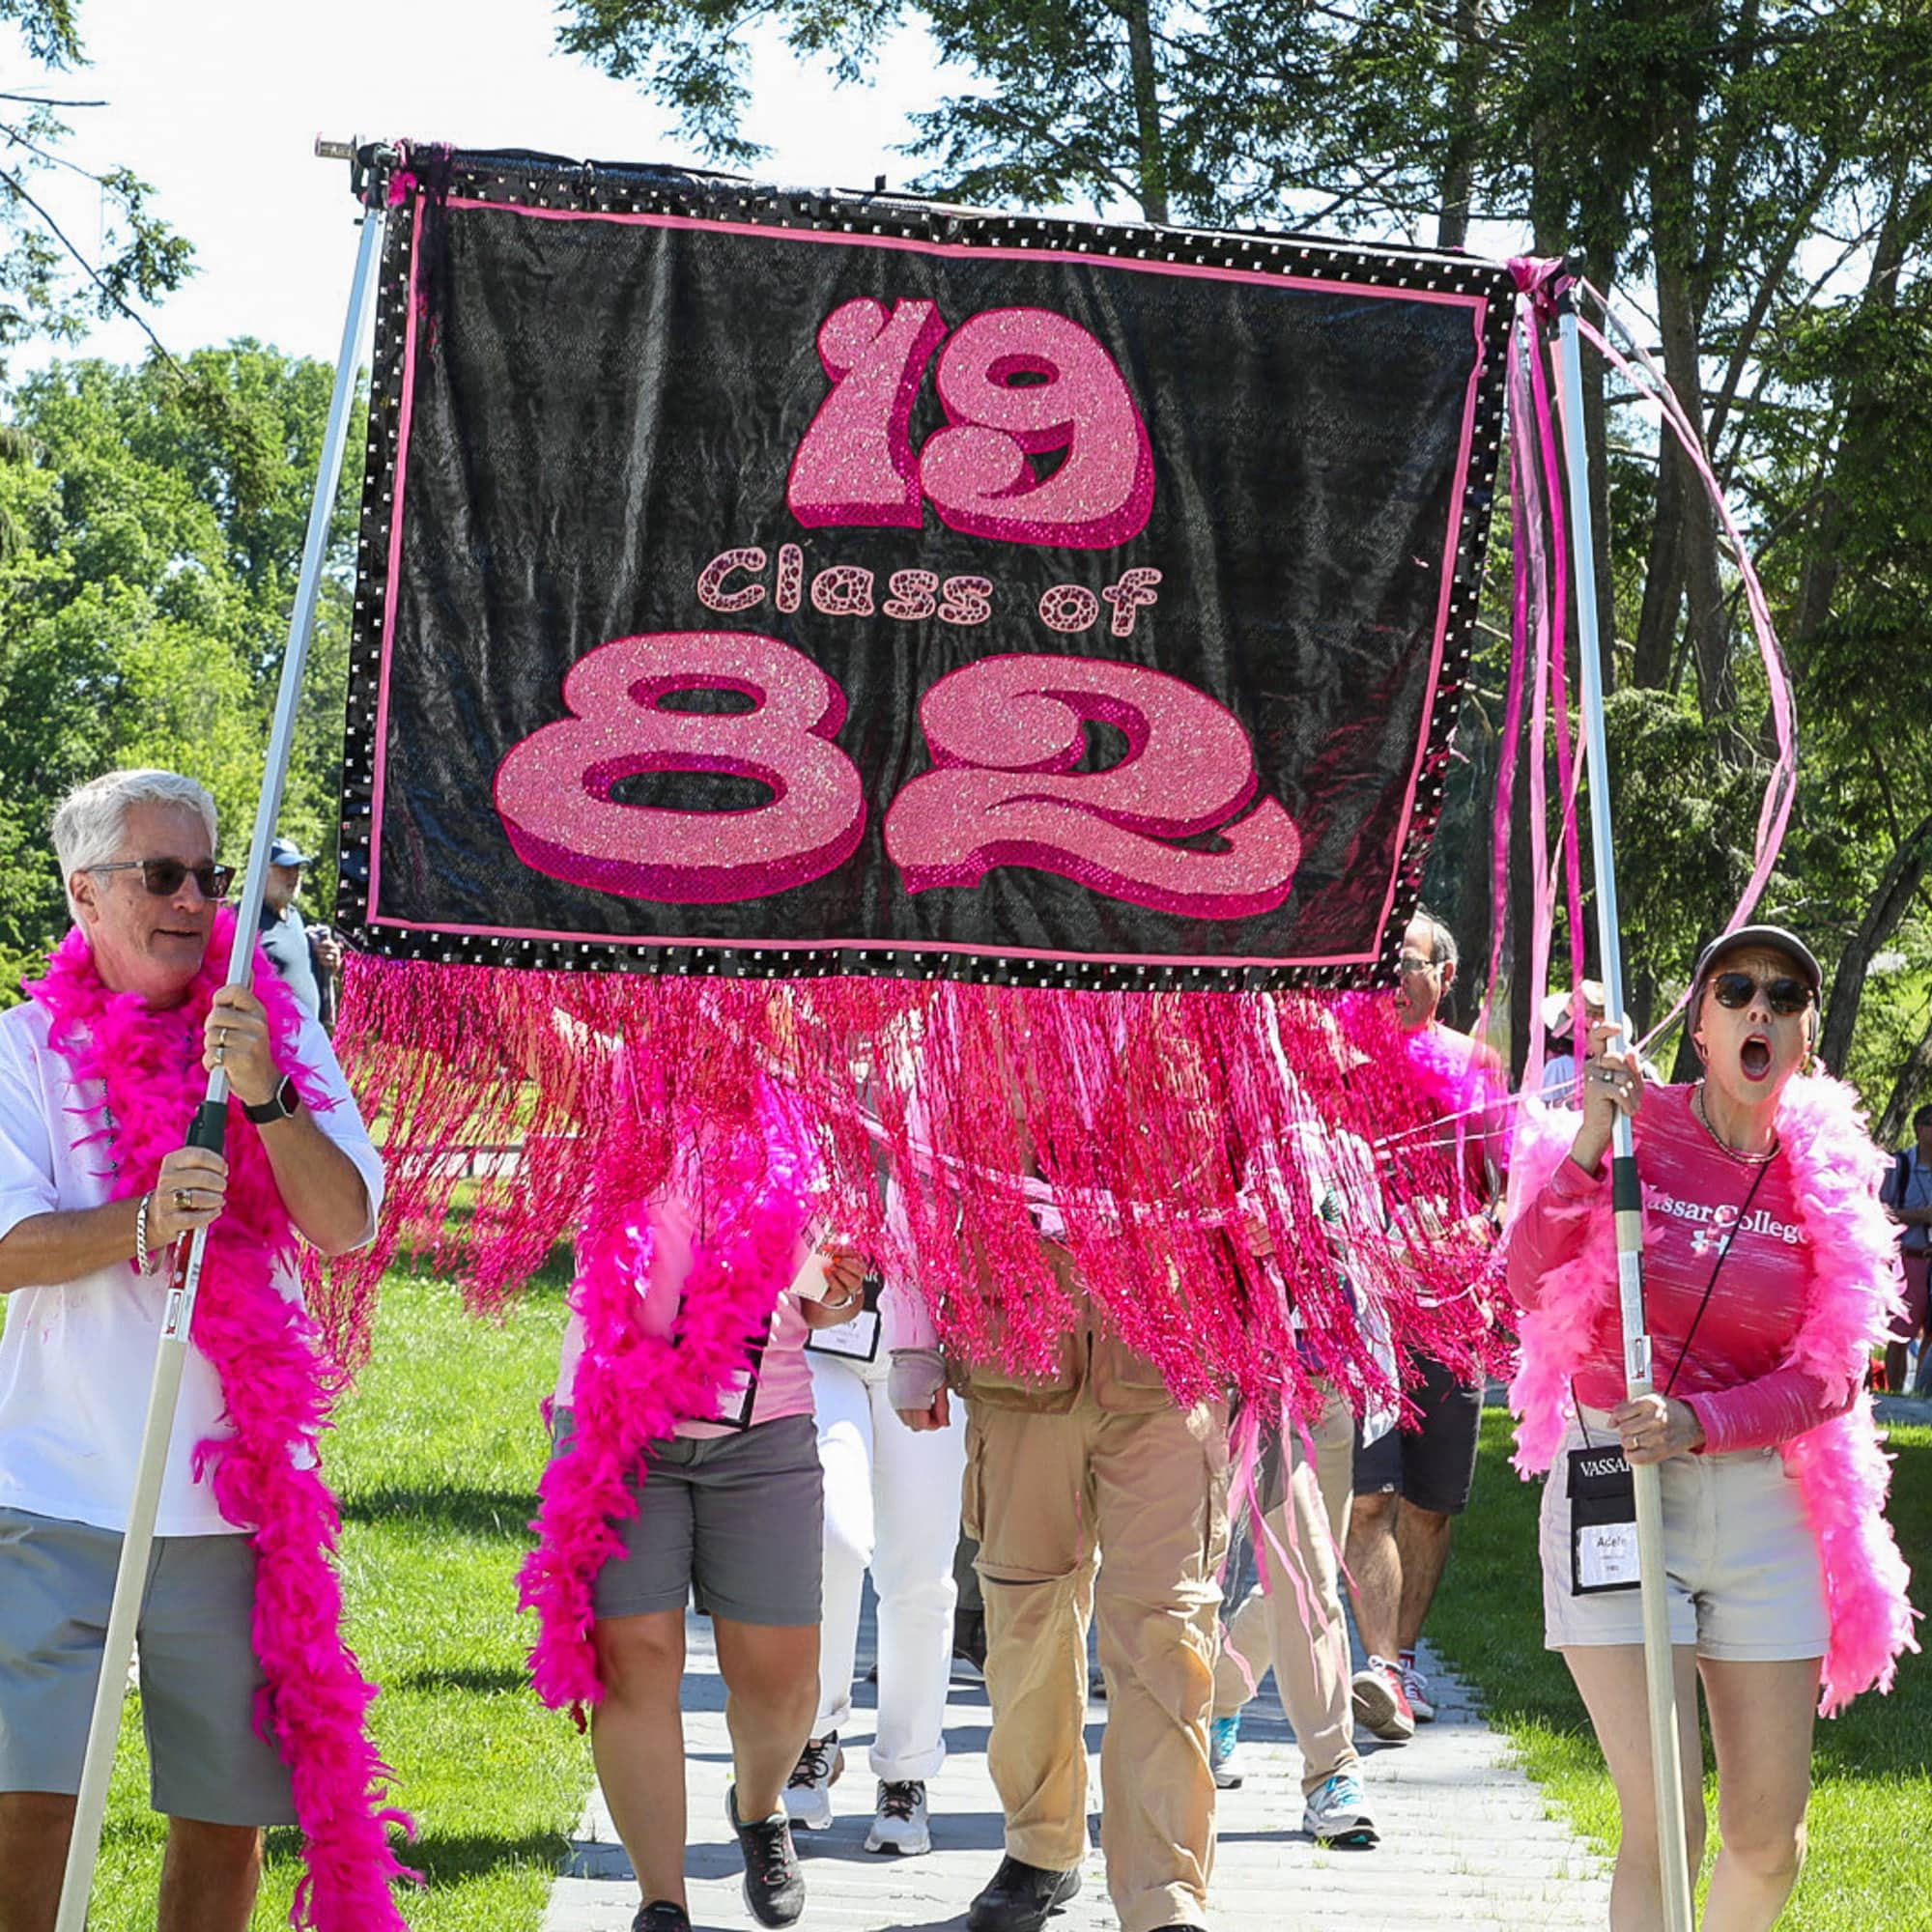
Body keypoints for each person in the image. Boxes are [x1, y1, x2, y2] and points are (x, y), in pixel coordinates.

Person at [0, 769, 393, 1932]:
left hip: (226, 1513)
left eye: (208, 876)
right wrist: (142, 1219)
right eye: (159, 874)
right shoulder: (23, 1049)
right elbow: (8, 1243)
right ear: (84, 892)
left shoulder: (272, 1029)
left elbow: (348, 1222)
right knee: (32, 1810)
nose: (191, 901)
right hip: (54, 1493)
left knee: (223, 1824)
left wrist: (265, 1092)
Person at [1505, 923, 1914, 1932]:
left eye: (1783, 994)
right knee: (1666, 1817)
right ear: (1697, 1026)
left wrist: (1700, 1419)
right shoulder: (1629, 1126)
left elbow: (1831, 1376)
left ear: (1804, 1034)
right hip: (1616, 1476)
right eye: (1735, 989)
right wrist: (1590, 1144)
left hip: (1760, 1493)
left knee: (1766, 1838)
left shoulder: (1832, 1170)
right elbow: (1524, 1279)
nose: (1759, 1007)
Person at [523, 1072, 870, 1932]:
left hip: (764, 1425)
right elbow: (518, 1024)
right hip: (617, 1422)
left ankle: (758, 1808)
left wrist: (837, 1296)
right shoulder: (614, 1077)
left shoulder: (813, 1103)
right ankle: (662, 1902)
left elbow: (832, 1283)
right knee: (634, 1657)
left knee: (784, 1685)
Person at [893, 1182, 1228, 1932]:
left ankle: (1164, 1892)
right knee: (1025, 1622)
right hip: (1019, 1355)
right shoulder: (972, 1055)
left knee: (1166, 1629)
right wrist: (913, 1340)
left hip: (1171, 1351)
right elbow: (918, 1169)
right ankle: (1041, 1849)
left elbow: (1273, 1126)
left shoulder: (1208, 1053)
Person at [1347, 908, 1500, 1741]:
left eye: (1410, 964)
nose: (1394, 978)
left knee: (1430, 1505)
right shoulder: (1336, 1055)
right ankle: (1377, 1670)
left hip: (1450, 1313)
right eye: (1385, 962)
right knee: (1368, 1497)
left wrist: (1478, 1232)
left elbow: (1504, 1188)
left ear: (1446, 976)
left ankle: (1400, 1662)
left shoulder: (1477, 1067)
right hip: (1360, 1306)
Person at [782, 1270, 967, 1854]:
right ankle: (814, 1734)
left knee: (920, 1575)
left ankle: (905, 1772)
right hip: (820, 1338)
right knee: (830, 1538)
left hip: (932, 1339)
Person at [256, 836, 342, 1024]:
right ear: (262, 872)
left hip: (306, 1042)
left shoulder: (294, 917)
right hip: (272, 1042)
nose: (294, 875)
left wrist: (328, 964)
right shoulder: (246, 921)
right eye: (285, 868)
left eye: (297, 868)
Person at [1878, 1103, 1932, 1396]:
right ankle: (1895, 1394)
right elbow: (1880, 1211)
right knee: (1899, 1333)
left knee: (1930, 1332)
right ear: (1919, 1128)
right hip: (1906, 1260)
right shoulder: (1900, 1166)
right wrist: (1920, 1216)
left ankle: (1922, 1395)